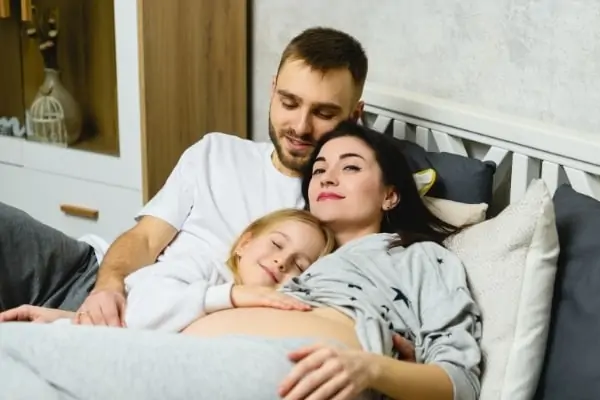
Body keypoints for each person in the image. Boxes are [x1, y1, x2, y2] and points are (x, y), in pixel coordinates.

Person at [0, 121, 482, 400]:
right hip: (181, 352)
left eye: (350, 167)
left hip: (290, 371)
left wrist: (371, 370)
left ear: (392, 194)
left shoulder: (418, 259)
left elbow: (460, 379)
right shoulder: (294, 257)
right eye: (319, 168)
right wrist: (78, 319)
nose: (327, 176)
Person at [0, 26, 369, 327]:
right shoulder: (216, 151)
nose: (300, 126)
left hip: (157, 319)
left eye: (323, 113)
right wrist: (106, 288)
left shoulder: (341, 209)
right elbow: (144, 240)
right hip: (93, 276)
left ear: (355, 117)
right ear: (272, 90)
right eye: (289, 103)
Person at [1, 209, 336, 333]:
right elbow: (143, 310)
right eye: (276, 245)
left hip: (85, 323)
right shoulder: (205, 266)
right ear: (243, 244)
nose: (282, 262)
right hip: (89, 273)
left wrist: (61, 321)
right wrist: (230, 294)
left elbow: (137, 330)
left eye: (299, 266)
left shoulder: (253, 317)